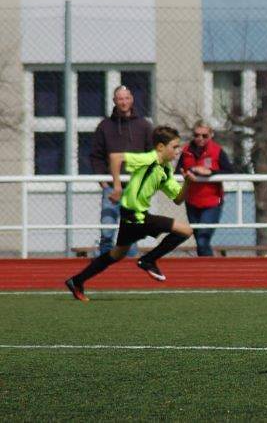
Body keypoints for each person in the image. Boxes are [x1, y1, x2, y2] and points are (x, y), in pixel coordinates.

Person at [65, 126, 197, 302]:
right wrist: (117, 186)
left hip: (134, 215)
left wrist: (188, 183)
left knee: (117, 254)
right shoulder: (149, 159)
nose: (178, 151)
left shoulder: (165, 170)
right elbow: (115, 158)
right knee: (186, 231)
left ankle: (77, 281)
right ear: (160, 147)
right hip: (135, 215)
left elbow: (178, 199)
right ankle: (148, 261)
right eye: (174, 147)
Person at [89, 85, 153, 257]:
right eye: (120, 99)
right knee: (107, 230)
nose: (123, 102)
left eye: (126, 98)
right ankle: (102, 266)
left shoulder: (144, 126)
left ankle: (129, 274)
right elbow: (96, 155)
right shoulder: (105, 126)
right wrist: (102, 179)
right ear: (114, 101)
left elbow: (152, 155)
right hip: (111, 188)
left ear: (131, 100)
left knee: (130, 234)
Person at [176, 120, 234, 256]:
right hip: (192, 202)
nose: (200, 139)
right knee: (198, 239)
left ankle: (210, 269)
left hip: (212, 202)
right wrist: (186, 173)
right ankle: (202, 269)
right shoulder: (186, 151)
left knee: (203, 238)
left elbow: (230, 171)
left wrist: (210, 172)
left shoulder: (217, 151)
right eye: (196, 135)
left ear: (211, 135)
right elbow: (177, 172)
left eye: (204, 136)